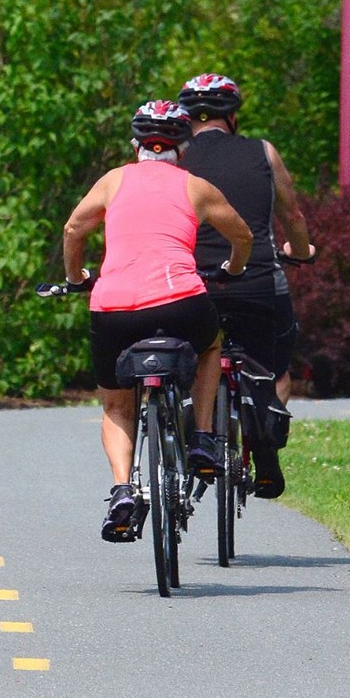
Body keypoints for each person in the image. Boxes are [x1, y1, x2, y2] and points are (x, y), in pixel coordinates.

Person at [62, 101, 253, 542]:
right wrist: (234, 268)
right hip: (180, 303)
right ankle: (202, 436)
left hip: (114, 309)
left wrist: (75, 278)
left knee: (116, 407)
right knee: (211, 346)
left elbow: (73, 229)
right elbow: (242, 235)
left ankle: (122, 488)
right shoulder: (196, 187)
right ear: (183, 149)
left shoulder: (113, 181)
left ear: (136, 147)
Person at [177, 73, 316, 498]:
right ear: (233, 116)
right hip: (256, 280)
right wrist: (302, 251)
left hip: (192, 282)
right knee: (276, 365)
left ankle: (190, 421)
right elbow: (292, 215)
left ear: (187, 118)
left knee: (189, 352)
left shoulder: (175, 160)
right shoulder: (263, 152)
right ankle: (266, 450)